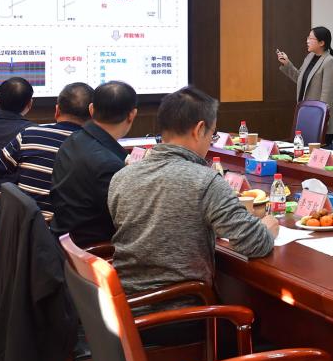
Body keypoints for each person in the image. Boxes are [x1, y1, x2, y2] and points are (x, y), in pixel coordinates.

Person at [108, 86, 277, 316]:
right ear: (199, 129)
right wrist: (267, 227)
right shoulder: (205, 181)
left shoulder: (122, 176)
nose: (211, 141)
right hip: (179, 314)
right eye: (212, 134)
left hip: (125, 309)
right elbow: (254, 243)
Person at [0, 82, 93, 210]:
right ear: (92, 113)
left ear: (57, 111)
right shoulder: (96, 147)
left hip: (23, 220)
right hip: (62, 222)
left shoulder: (30, 134)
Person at [49, 80, 137, 247]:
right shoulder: (109, 165)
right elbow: (129, 222)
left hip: (62, 239)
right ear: (132, 115)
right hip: (90, 250)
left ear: (91, 109)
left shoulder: (73, 140)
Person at [277, 26, 333, 141]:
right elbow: (300, 79)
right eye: (308, 37)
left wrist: (318, 119)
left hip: (319, 119)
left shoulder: (330, 62)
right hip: (305, 115)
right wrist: (287, 64)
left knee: (317, 151)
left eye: (311, 38)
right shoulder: (309, 57)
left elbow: (327, 97)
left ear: (321, 43)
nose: (307, 41)